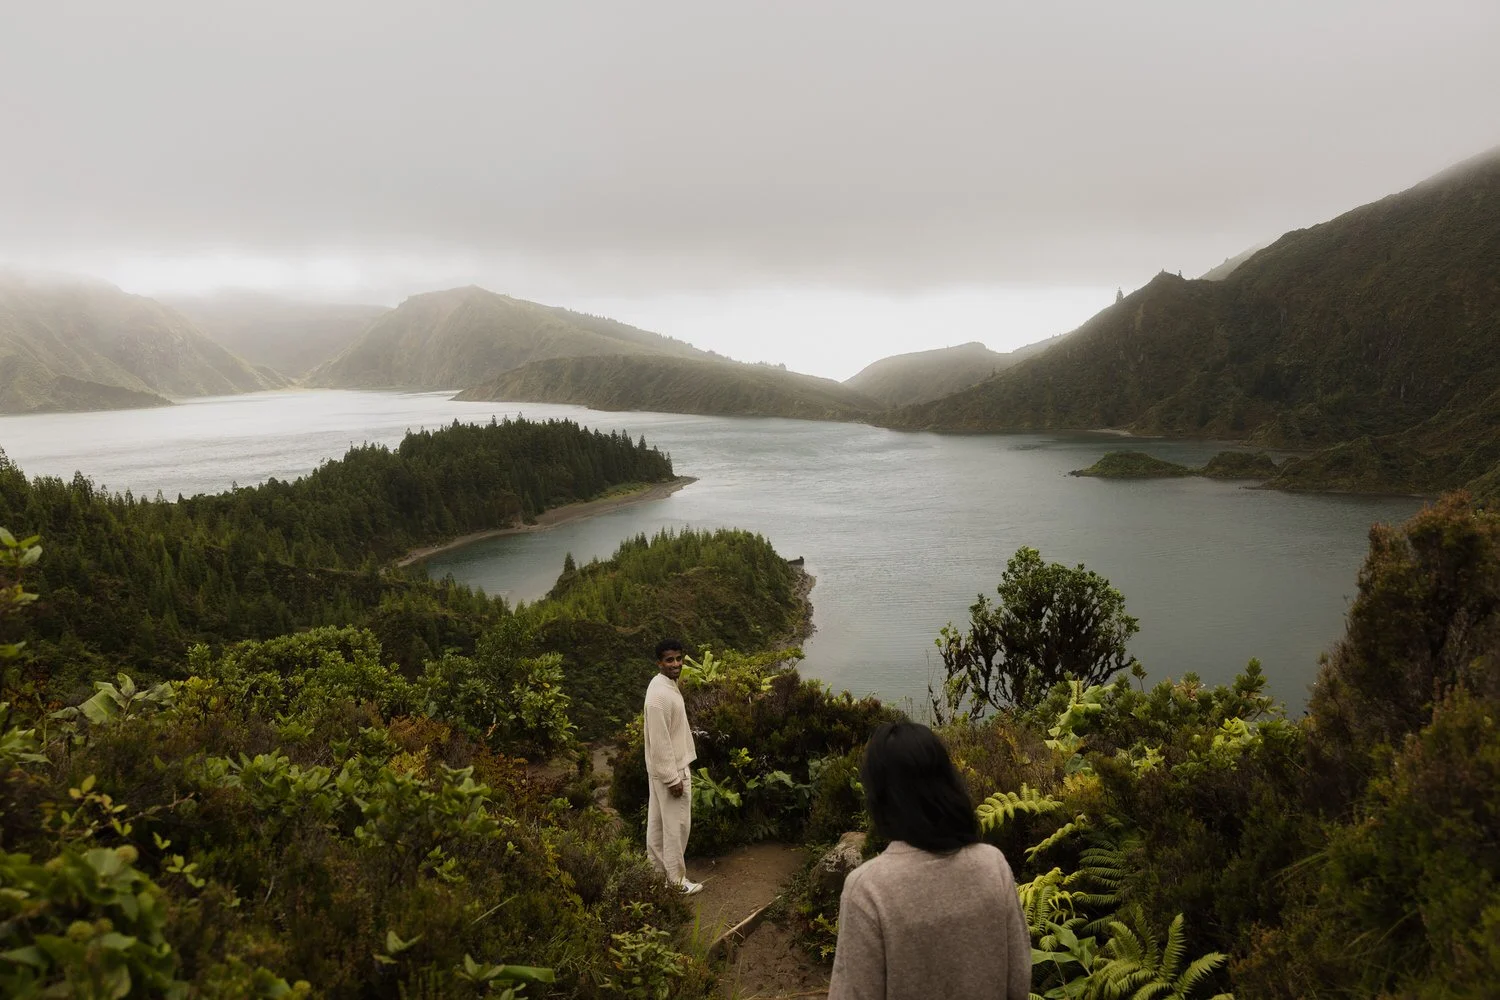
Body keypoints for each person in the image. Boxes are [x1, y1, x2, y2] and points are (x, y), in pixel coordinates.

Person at [828, 721, 1031, 1000]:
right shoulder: (992, 865)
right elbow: (1019, 982)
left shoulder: (868, 889)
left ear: (880, 797)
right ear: (947, 784)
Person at [642, 637, 702, 895]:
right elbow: (660, 741)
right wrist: (672, 778)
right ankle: (677, 882)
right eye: (669, 660)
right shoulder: (659, 697)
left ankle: (655, 876)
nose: (676, 664)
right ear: (659, 663)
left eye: (678, 658)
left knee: (657, 825)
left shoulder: (662, 685)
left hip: (660, 772)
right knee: (677, 827)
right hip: (671, 772)